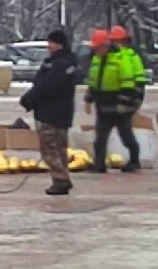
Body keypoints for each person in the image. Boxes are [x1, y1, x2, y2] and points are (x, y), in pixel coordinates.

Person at [17, 27, 81, 195]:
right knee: (60, 149)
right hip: (62, 113)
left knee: (50, 149)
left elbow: (47, 87)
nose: (49, 46)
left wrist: (29, 98)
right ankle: (63, 178)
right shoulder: (68, 62)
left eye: (52, 43)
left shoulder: (58, 64)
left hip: (50, 113)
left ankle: (60, 180)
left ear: (60, 44)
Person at [85, 24, 149, 172]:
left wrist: (126, 104)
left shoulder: (122, 58)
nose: (96, 50)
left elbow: (129, 82)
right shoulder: (96, 60)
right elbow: (94, 81)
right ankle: (99, 164)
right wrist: (89, 99)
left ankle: (134, 160)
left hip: (119, 104)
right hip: (103, 104)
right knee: (100, 137)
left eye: (99, 47)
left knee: (125, 134)